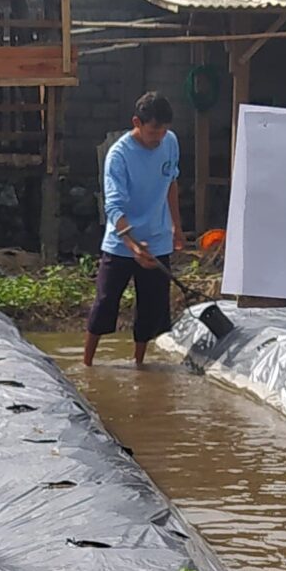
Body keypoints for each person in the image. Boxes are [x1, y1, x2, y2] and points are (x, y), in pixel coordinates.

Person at [85, 91, 181, 369]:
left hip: (158, 239)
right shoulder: (119, 155)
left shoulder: (170, 142)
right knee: (105, 303)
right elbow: (113, 207)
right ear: (137, 122)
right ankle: (87, 364)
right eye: (153, 131)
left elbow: (171, 182)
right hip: (121, 242)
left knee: (151, 308)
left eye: (164, 131)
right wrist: (132, 245)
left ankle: (140, 365)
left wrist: (176, 226)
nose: (159, 137)